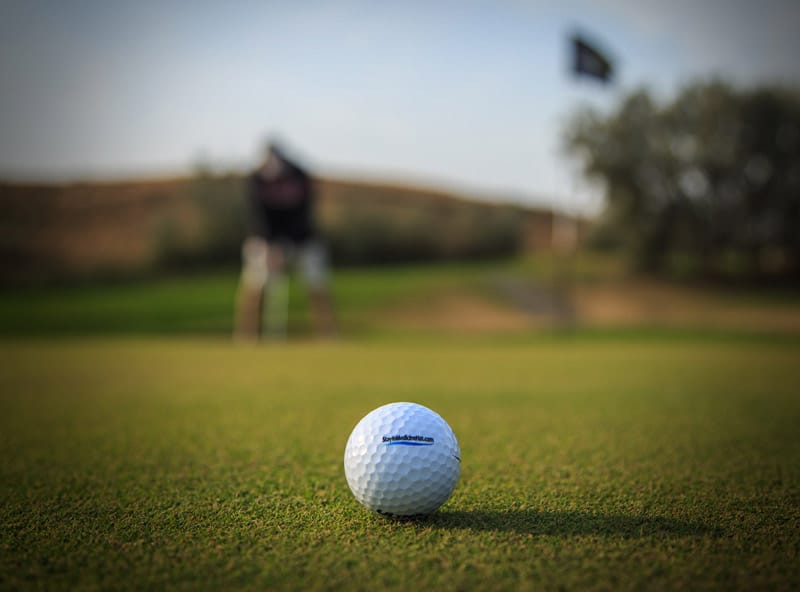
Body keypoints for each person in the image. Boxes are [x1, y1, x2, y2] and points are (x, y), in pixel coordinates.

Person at [235, 140, 336, 340]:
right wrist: (271, 246)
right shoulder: (257, 179)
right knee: (255, 287)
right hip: (264, 240)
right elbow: (258, 216)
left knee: (317, 286)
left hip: (302, 238)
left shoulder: (300, 177)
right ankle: (246, 337)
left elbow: (304, 213)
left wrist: (288, 243)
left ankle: (329, 336)